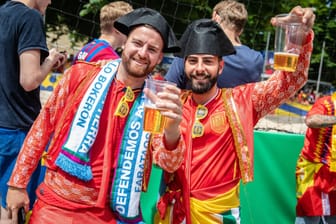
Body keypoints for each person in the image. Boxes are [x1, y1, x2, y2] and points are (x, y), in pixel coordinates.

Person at [5, 7, 185, 224]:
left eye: (152, 49)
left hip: (111, 212)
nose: (143, 53)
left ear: (159, 58)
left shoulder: (156, 99)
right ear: (124, 43)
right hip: (58, 205)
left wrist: (173, 127)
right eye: (137, 44)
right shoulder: (81, 75)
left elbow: (169, 163)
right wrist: (17, 184)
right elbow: (42, 128)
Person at [155, 6, 315, 224]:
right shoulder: (172, 104)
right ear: (184, 65)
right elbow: (165, 164)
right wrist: (171, 130)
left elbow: (291, 81)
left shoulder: (242, 101)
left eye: (208, 61)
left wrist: (299, 38)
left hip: (218, 216)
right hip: (172, 214)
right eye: (193, 61)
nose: (199, 68)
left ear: (221, 67)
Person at [0, 0, 66, 221]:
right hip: (17, 130)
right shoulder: (30, 17)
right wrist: (49, 61)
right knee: (10, 211)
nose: (50, 1)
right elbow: (29, 80)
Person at [165, 0, 264, 89]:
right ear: (241, 30)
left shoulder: (192, 50)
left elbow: (168, 88)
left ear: (215, 18)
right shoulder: (255, 59)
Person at [295, 92, 336, 224]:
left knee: (332, 217)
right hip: (313, 171)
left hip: (333, 174)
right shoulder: (326, 103)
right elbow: (311, 120)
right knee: (309, 215)